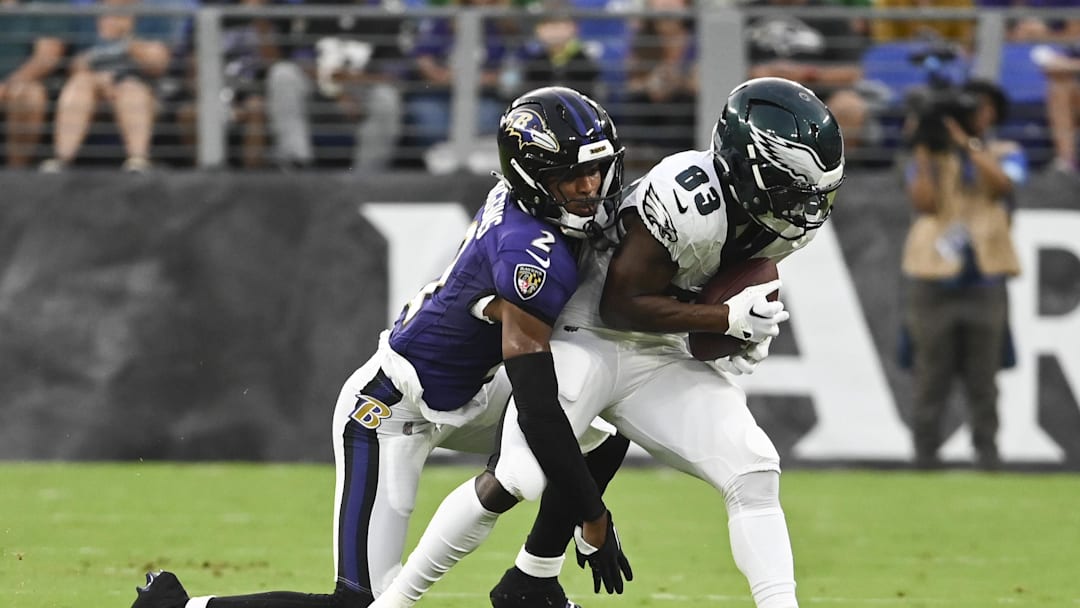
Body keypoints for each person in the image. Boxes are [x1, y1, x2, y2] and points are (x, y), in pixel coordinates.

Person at [127, 86, 630, 608]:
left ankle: (533, 581)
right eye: (571, 177)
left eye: (596, 170)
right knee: (358, 604)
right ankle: (178, 607)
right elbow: (539, 406)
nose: (590, 187)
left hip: (469, 391)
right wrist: (593, 516)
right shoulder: (529, 248)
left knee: (601, 437)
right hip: (389, 409)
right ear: (532, 181)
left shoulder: (530, 210)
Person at [373, 77, 844, 608]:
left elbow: (715, 287)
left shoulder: (784, 223)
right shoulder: (688, 196)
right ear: (747, 169)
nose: (803, 206)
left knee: (754, 469)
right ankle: (395, 602)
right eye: (790, 188)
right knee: (518, 476)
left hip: (657, 354)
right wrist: (720, 319)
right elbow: (619, 304)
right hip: (587, 335)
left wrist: (741, 329)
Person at [899, 79, 1025, 470]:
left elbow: (1002, 185)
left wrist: (965, 143)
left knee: (983, 379)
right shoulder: (930, 158)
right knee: (930, 375)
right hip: (933, 279)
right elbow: (924, 203)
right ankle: (924, 455)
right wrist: (924, 145)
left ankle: (987, 455)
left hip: (985, 279)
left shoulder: (1007, 151)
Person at [265, 0, 406, 171]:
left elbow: (393, 75)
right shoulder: (314, 9)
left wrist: (349, 83)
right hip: (318, 91)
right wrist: (337, 92)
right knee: (283, 73)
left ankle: (368, 177)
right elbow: (300, 60)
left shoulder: (385, 15)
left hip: (361, 94)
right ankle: (296, 161)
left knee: (386, 97)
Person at [39, 0, 178, 172]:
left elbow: (159, 64)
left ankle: (138, 160)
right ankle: (61, 159)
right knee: (80, 83)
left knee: (130, 89)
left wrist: (127, 39)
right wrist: (99, 80)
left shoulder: (154, 14)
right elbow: (75, 64)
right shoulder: (86, 15)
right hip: (94, 83)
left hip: (141, 85)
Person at [0, 0, 73, 167]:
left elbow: (47, 57)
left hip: (24, 83)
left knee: (29, 95)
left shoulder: (49, 4)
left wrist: (6, 85)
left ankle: (16, 173)